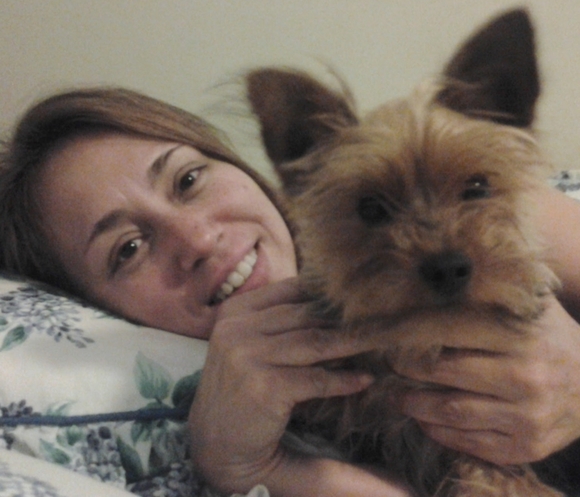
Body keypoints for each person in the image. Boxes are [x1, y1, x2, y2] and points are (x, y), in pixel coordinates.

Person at [0, 87, 580, 496]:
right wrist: (256, 469)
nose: (198, 238)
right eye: (128, 249)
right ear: (91, 310)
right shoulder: (231, 412)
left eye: (188, 179)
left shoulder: (481, 201)